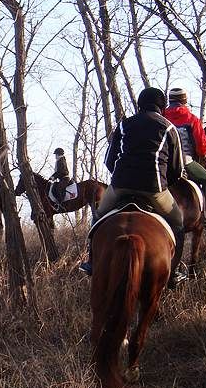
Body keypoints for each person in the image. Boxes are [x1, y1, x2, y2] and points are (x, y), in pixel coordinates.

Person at [79, 87, 188, 288]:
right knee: (178, 222)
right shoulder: (169, 128)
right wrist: (165, 183)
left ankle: (91, 262)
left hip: (121, 186)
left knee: (99, 215)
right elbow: (177, 168)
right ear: (162, 107)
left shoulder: (124, 125)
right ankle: (173, 272)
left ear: (139, 105)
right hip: (154, 189)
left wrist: (122, 176)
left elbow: (109, 160)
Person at [163, 87, 206, 226]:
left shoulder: (162, 117)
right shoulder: (192, 119)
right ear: (184, 100)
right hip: (185, 161)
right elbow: (202, 148)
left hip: (163, 162)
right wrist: (203, 153)